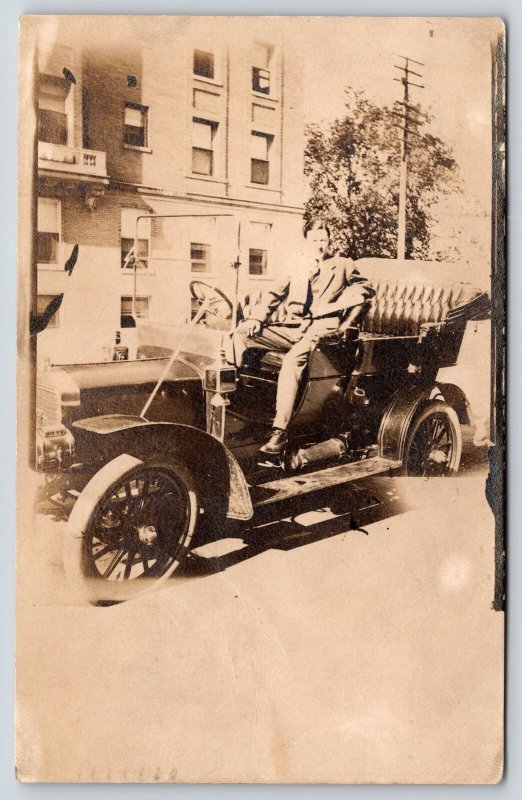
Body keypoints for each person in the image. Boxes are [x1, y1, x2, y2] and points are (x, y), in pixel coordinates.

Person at [227, 219, 374, 455]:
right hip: (293, 328)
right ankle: (235, 405)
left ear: (329, 241)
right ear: (306, 242)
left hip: (322, 331)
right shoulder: (297, 265)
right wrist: (255, 319)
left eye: (323, 240)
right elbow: (274, 294)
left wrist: (348, 300)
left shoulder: (343, 264)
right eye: (314, 240)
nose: (319, 245)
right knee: (240, 336)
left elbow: (365, 289)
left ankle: (279, 432)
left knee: (291, 361)